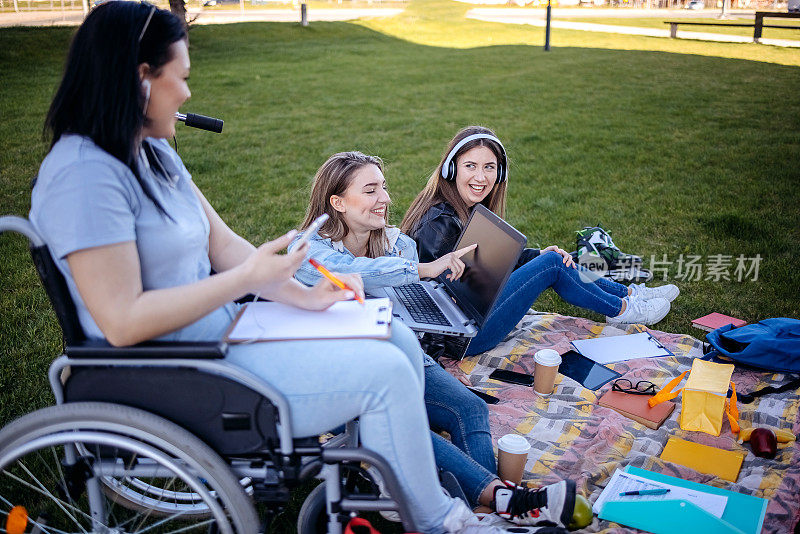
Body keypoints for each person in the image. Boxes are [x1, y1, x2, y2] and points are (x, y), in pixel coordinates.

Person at [26, 5, 523, 533]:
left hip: (226, 337)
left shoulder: (152, 153)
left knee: (395, 336)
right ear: (140, 79)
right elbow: (122, 320)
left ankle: (399, 487)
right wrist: (244, 282)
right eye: (183, 78)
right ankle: (442, 519)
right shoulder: (85, 177)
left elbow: (225, 246)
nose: (189, 94)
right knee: (383, 376)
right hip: (181, 371)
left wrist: (299, 290)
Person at [290, 151, 580, 528]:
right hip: (352, 373)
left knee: (469, 407)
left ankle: (485, 512)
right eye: (371, 190)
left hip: (401, 352)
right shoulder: (308, 248)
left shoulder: (398, 246)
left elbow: (403, 314)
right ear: (338, 202)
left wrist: (435, 350)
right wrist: (422, 270)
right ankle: (500, 501)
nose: (386, 199)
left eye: (384, 187)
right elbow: (342, 271)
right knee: (407, 424)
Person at [400, 126, 680, 356]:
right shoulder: (438, 223)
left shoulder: (463, 207)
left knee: (554, 259)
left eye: (489, 167)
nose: (480, 177)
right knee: (552, 264)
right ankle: (622, 310)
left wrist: (537, 256)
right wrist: (438, 364)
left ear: (501, 173)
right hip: (462, 337)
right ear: (451, 169)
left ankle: (627, 296)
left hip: (472, 315)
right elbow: (426, 304)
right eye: (470, 166)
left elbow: (488, 261)